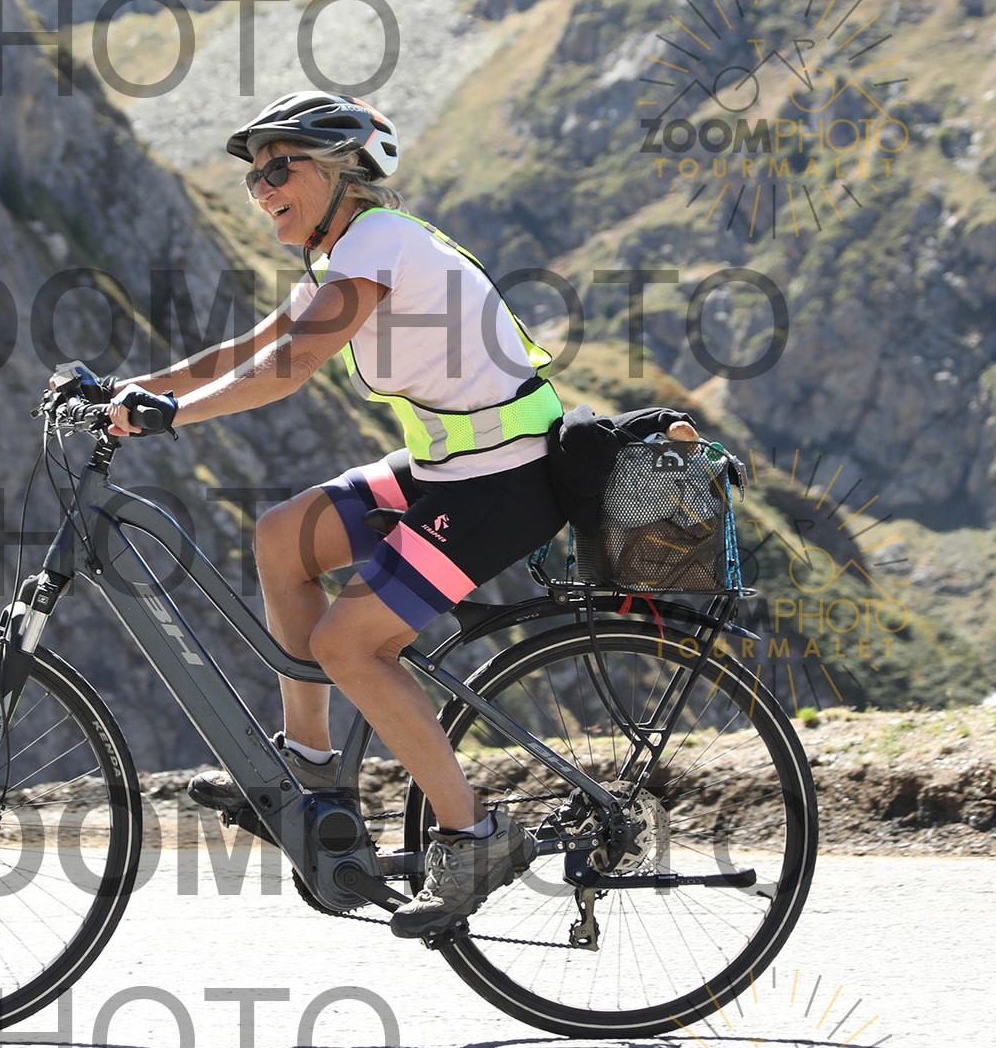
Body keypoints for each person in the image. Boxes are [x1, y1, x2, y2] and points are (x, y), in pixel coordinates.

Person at [108, 89, 697, 937]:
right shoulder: (347, 255)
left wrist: (170, 417)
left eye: (280, 168)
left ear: (340, 170)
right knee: (283, 538)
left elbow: (290, 366)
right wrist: (127, 389)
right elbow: (247, 350)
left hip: (503, 479)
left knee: (351, 644)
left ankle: (474, 835)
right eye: (254, 177)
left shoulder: (378, 242)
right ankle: (310, 772)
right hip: (444, 470)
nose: (263, 188)